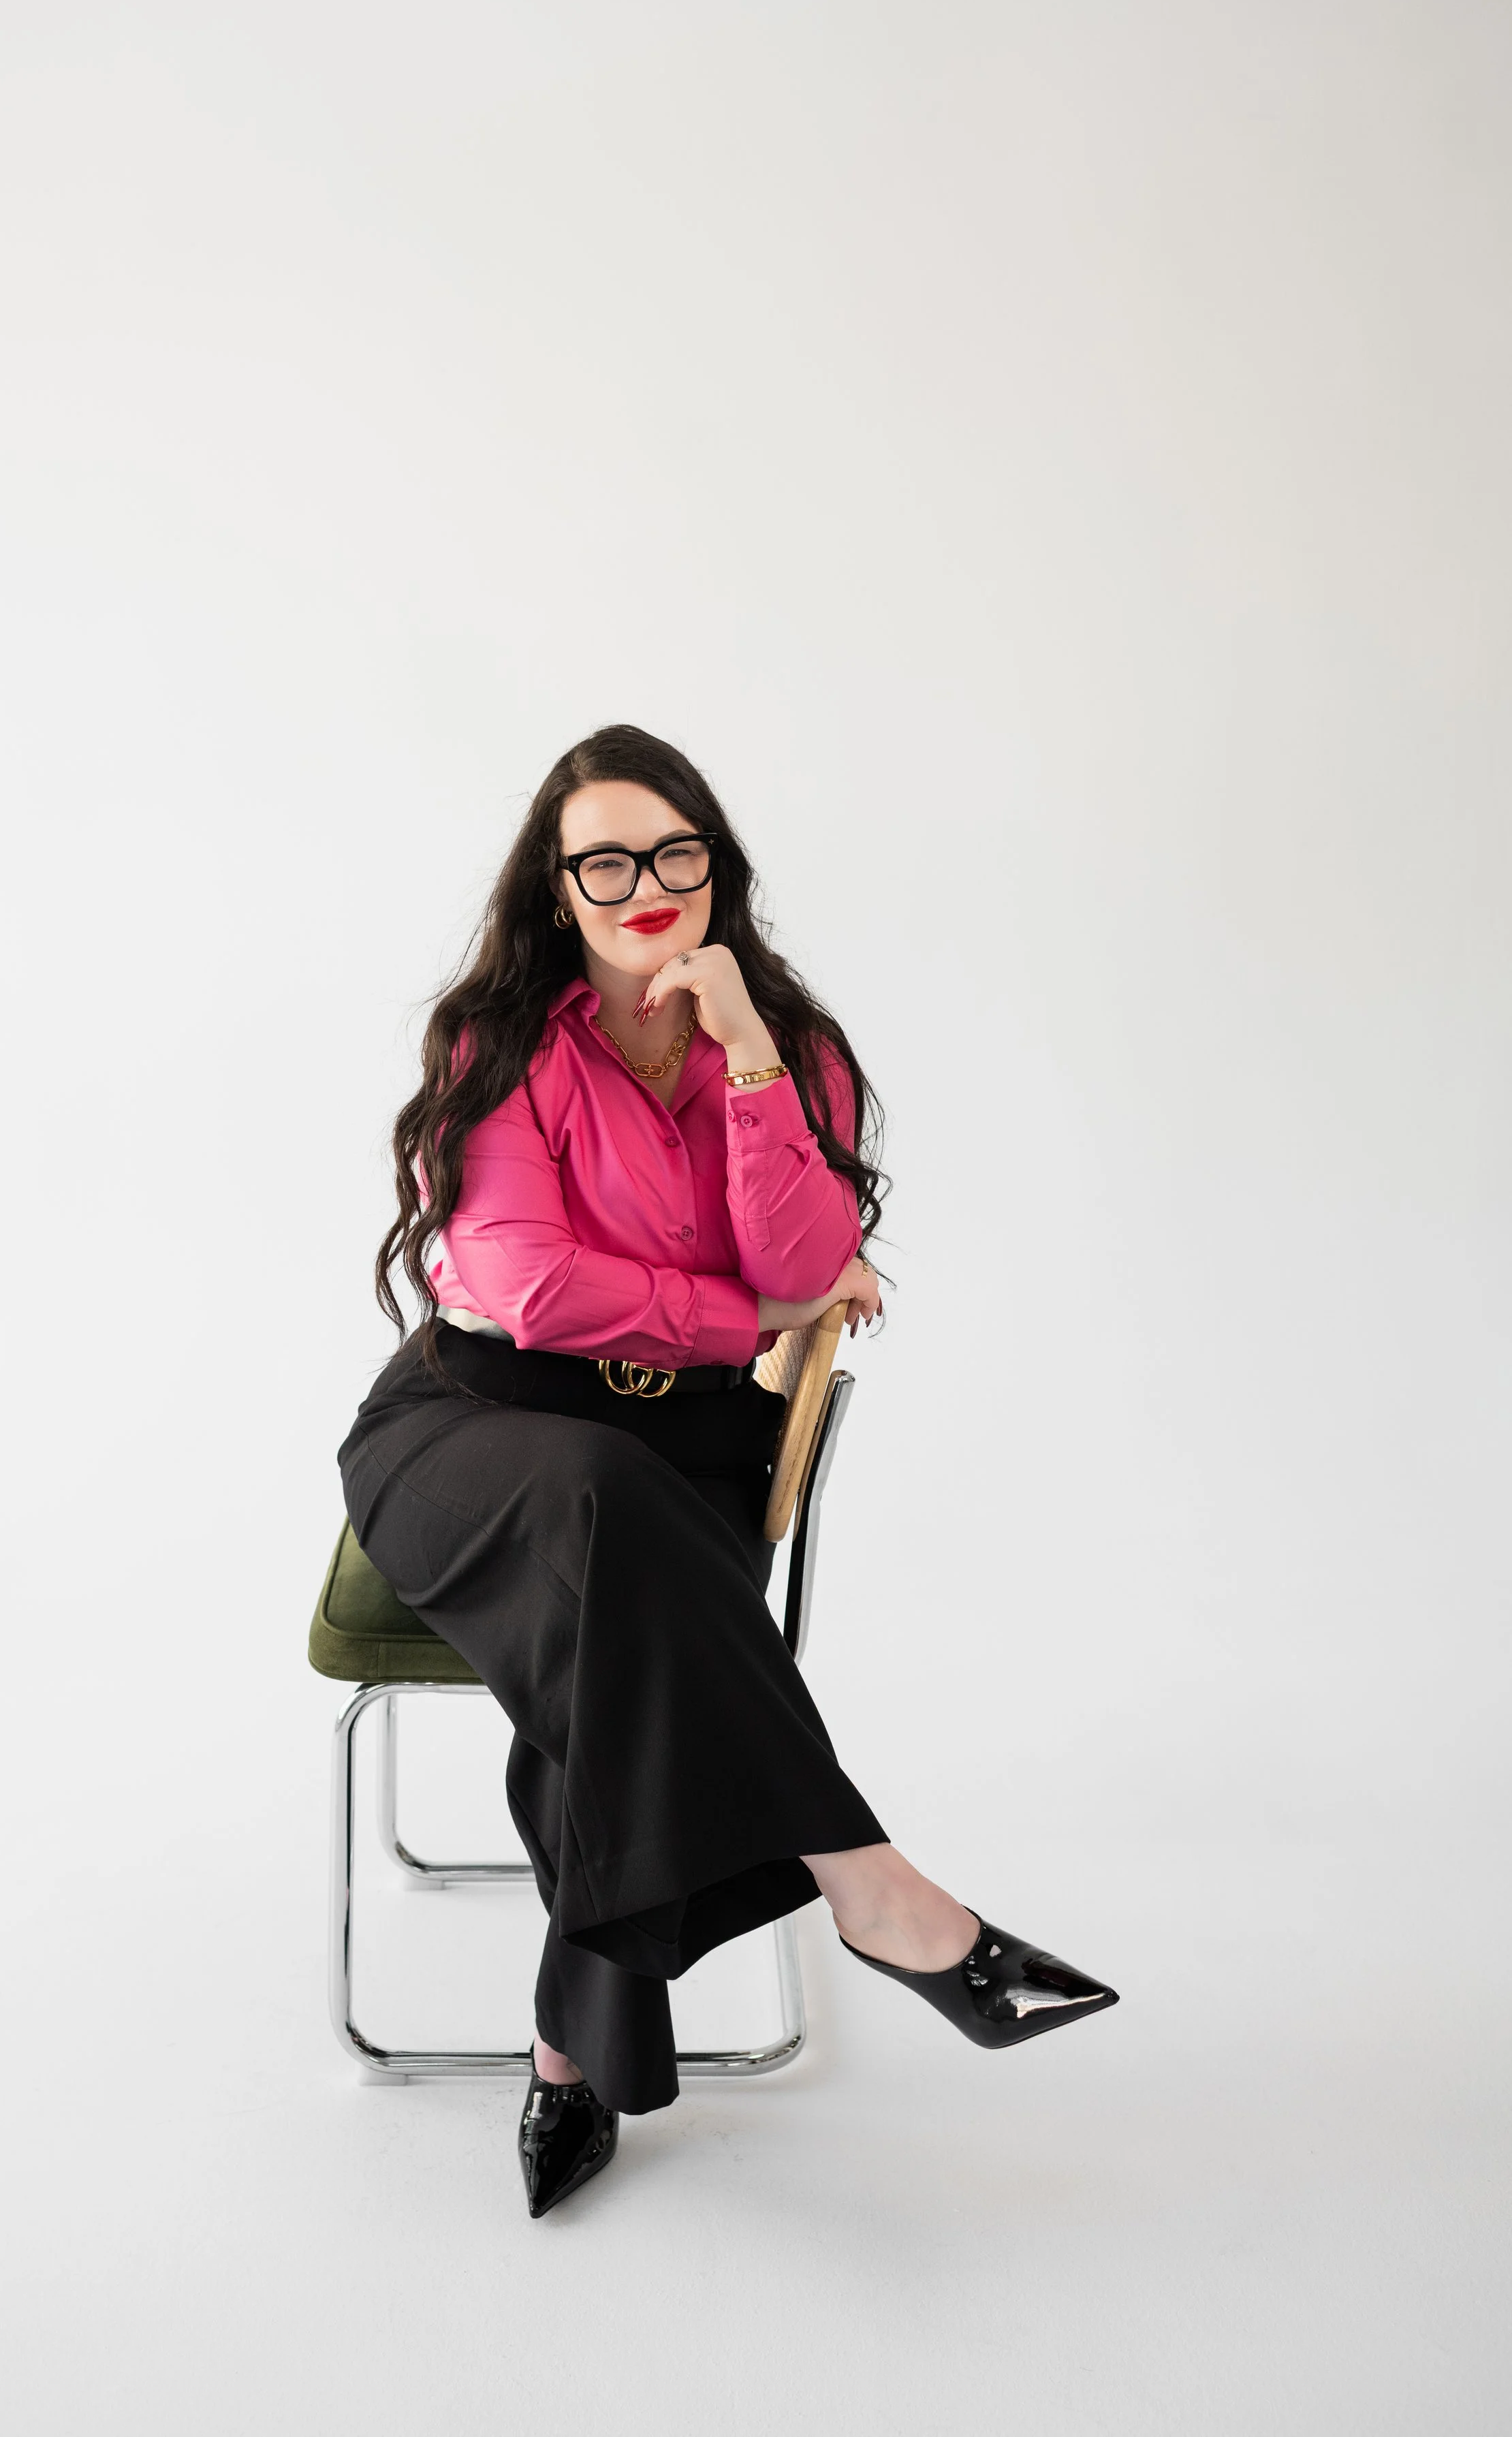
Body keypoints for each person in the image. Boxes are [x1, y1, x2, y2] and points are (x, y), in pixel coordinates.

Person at [338, 723, 1117, 2218]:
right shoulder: (498, 1043)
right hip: (467, 1427)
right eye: (604, 862)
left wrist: (747, 1052)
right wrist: (743, 1318)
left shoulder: (788, 1046)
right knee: (600, 1518)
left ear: (715, 865)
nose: (644, 883)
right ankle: (869, 1883)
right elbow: (530, 1287)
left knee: (615, 1624)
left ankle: (573, 2060)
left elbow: (807, 1253)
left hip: (686, 1450)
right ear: (555, 887)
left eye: (673, 850)